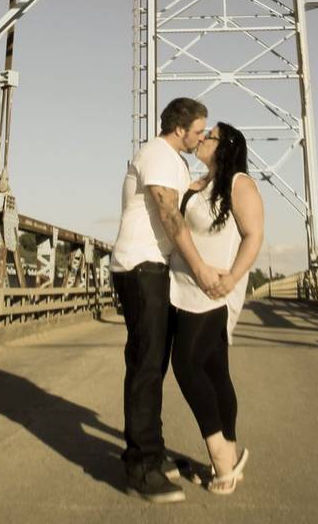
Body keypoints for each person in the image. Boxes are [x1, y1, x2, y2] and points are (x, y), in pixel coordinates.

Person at [110, 97, 226, 504]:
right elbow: (167, 214)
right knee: (146, 366)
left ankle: (151, 453)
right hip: (141, 267)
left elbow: (174, 202)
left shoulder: (172, 161)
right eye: (199, 130)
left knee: (153, 364)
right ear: (180, 128)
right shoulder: (158, 153)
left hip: (151, 267)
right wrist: (200, 269)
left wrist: (196, 186)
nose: (201, 136)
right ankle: (140, 469)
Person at [169, 122, 263, 495]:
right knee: (215, 369)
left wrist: (232, 279)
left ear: (225, 146)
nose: (202, 137)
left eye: (209, 135)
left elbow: (254, 235)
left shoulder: (239, 184)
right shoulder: (196, 185)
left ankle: (220, 453)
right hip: (182, 284)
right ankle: (228, 455)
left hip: (214, 288)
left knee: (186, 363)